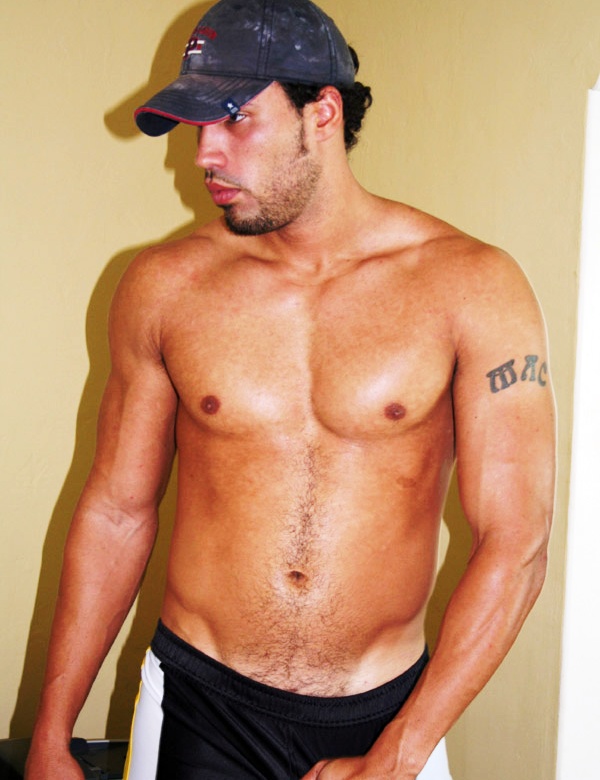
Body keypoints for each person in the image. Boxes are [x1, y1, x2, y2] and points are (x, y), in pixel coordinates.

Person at [25, 0, 556, 778]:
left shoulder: (472, 286)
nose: (203, 154)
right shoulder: (166, 286)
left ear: (323, 114)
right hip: (198, 706)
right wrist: (51, 732)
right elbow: (116, 510)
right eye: (196, 126)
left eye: (234, 118)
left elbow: (517, 541)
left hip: (388, 718)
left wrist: (399, 754)